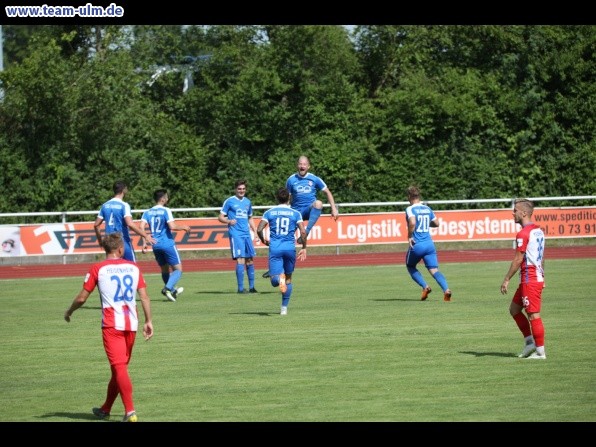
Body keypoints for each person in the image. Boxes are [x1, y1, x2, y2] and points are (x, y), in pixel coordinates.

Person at [64, 232, 153, 422]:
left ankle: (130, 412)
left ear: (106, 249)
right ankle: (105, 408)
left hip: (112, 324)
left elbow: (82, 297)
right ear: (121, 249)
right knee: (118, 369)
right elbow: (144, 296)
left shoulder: (99, 268)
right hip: (132, 323)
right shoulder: (133, 267)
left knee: (119, 367)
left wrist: (69, 311)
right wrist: (148, 321)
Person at [262, 155, 338, 278]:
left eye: (304, 164)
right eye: (300, 164)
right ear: (297, 165)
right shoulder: (291, 180)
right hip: (295, 213)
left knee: (318, 203)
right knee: (279, 239)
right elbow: (286, 196)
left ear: (308, 166)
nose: (302, 166)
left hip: (308, 210)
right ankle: (272, 269)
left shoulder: (314, 179)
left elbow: (327, 191)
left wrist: (333, 208)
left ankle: (305, 234)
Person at [500, 198, 547, 359]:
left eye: (515, 210)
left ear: (524, 213)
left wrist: (506, 279)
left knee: (533, 314)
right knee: (514, 309)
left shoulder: (523, 233)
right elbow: (541, 257)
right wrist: (543, 276)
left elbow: (518, 259)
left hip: (530, 279)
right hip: (533, 278)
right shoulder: (538, 230)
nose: (512, 213)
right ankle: (529, 343)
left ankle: (540, 352)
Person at [257, 187, 307, 315]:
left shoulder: (269, 212)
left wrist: (263, 240)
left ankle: (280, 279)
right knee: (289, 278)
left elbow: (259, 229)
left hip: (275, 248)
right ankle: (284, 308)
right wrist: (304, 248)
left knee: (275, 280)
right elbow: (302, 232)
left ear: (276, 198)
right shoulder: (296, 213)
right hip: (290, 248)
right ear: (289, 198)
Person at [140, 189, 191, 302]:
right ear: (162, 199)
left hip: (155, 245)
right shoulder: (166, 210)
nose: (167, 199)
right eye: (166, 197)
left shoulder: (147, 212)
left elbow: (141, 227)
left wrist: (144, 242)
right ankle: (167, 288)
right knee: (178, 270)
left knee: (164, 269)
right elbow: (172, 226)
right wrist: (184, 227)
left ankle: (172, 291)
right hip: (167, 243)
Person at [404, 185, 452, 301]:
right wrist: (424, 225)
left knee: (410, 266)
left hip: (417, 244)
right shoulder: (427, 208)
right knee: (434, 270)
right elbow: (436, 223)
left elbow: (412, 222)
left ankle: (425, 287)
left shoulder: (410, 209)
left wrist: (409, 236)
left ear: (409, 196)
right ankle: (446, 290)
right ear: (418, 196)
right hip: (429, 245)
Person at [94, 180, 155, 262]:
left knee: (113, 269)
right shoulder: (124, 205)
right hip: (122, 240)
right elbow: (130, 224)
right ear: (124, 190)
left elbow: (96, 225)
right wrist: (146, 235)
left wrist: (100, 241)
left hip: (109, 242)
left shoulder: (105, 205)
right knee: (132, 268)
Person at [218, 179, 258, 294]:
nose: (241, 191)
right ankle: (240, 289)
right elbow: (220, 217)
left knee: (250, 259)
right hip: (236, 234)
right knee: (240, 259)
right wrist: (229, 221)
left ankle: (252, 287)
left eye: (243, 189)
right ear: (236, 189)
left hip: (246, 234)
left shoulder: (247, 202)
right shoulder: (230, 201)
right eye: (239, 189)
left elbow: (250, 217)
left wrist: (254, 231)